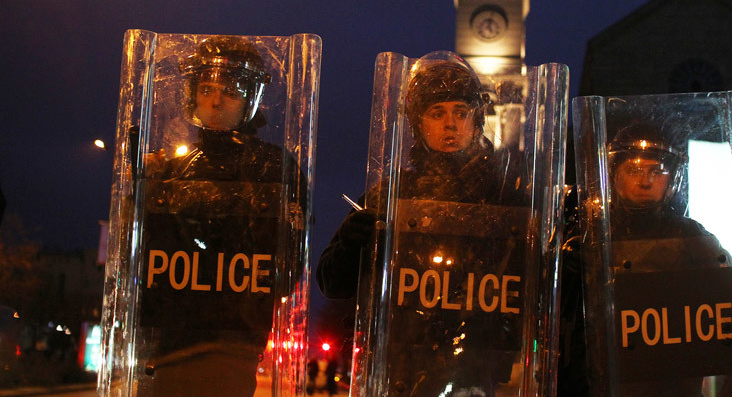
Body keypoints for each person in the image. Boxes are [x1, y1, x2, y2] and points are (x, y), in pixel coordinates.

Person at [317, 51, 524, 396]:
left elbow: (526, 290)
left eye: (461, 112)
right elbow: (331, 283)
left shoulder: (505, 197)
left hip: (475, 377)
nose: (450, 124)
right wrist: (350, 243)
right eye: (437, 113)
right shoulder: (391, 193)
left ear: (476, 120)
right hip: (396, 371)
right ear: (418, 124)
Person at [137, 36, 300, 397]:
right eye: (206, 88)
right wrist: (146, 195)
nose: (215, 101)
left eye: (230, 91)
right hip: (169, 343)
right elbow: (144, 263)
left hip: (233, 344)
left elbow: (286, 269)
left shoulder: (275, 169)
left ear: (251, 100)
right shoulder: (172, 168)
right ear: (191, 95)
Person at [577, 123, 732, 396]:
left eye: (657, 171)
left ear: (672, 178)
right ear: (614, 175)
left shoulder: (694, 242)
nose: (645, 181)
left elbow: (726, 332)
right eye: (633, 170)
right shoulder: (587, 237)